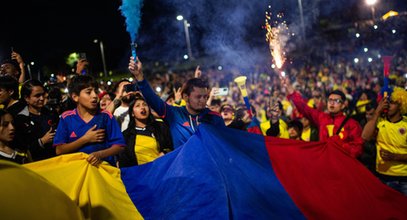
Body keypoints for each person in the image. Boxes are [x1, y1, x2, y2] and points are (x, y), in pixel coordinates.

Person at [129, 57, 225, 148]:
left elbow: (224, 145)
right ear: (185, 97)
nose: (203, 100)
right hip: (184, 165)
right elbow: (152, 99)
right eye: (198, 97)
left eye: (205, 97)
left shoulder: (215, 117)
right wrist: (139, 76)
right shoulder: (174, 114)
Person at [53, 75, 125, 166]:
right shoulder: (66, 118)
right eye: (88, 92)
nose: (95, 96)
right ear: (75, 97)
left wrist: (100, 154)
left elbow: (119, 146)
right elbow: (59, 150)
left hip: (104, 171)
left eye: (95, 91)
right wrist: (85, 139)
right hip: (78, 173)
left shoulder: (106, 117)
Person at [283, 77, 364, 158]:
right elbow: (304, 108)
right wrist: (290, 89)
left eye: (336, 101)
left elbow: (358, 149)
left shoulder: (352, 124)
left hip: (342, 165)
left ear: (343, 105)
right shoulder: (321, 117)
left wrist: (341, 146)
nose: (332, 103)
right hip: (324, 162)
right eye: (330, 100)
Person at [362, 87, 407, 195]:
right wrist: (377, 112)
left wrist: (395, 157)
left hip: (404, 180)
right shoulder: (379, 121)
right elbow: (365, 137)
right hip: (382, 177)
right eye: (386, 102)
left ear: (400, 105)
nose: (388, 105)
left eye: (392, 103)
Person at [118, 94, 173, 167]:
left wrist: (164, 153)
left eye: (145, 105)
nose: (142, 108)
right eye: (138, 106)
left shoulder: (160, 127)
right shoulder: (126, 135)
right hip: (139, 175)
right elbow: (124, 161)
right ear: (132, 113)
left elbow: (171, 146)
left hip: (162, 170)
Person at [13, 80, 59, 161]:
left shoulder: (51, 113)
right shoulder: (20, 119)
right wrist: (42, 141)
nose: (41, 98)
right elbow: (21, 148)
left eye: (43, 94)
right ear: (27, 98)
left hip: (56, 159)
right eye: (37, 96)